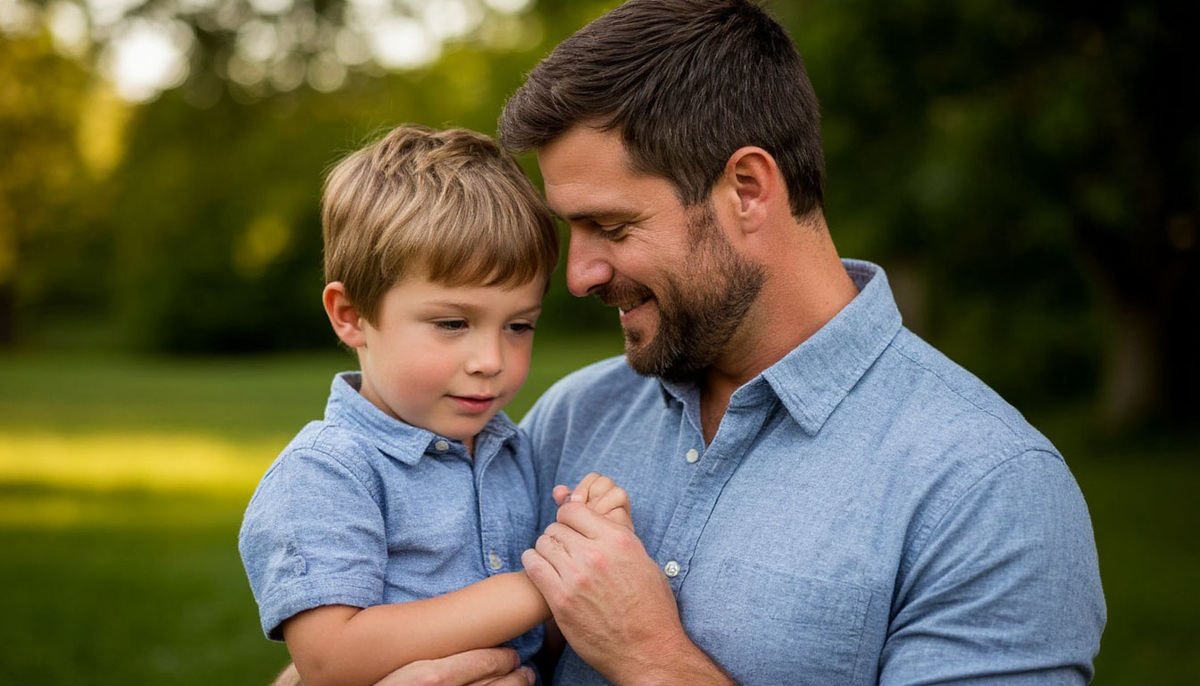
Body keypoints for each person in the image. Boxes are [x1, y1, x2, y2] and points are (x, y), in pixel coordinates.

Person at [488, 0, 1106, 683]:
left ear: (747, 190)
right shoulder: (571, 418)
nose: (578, 276)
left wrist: (650, 658)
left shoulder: (986, 488)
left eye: (611, 226)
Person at [237, 125, 632, 686]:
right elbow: (330, 660)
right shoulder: (327, 473)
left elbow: (530, 643)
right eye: (452, 323)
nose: (491, 359)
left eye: (519, 326)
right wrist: (547, 580)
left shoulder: (508, 450)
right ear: (350, 315)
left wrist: (589, 541)